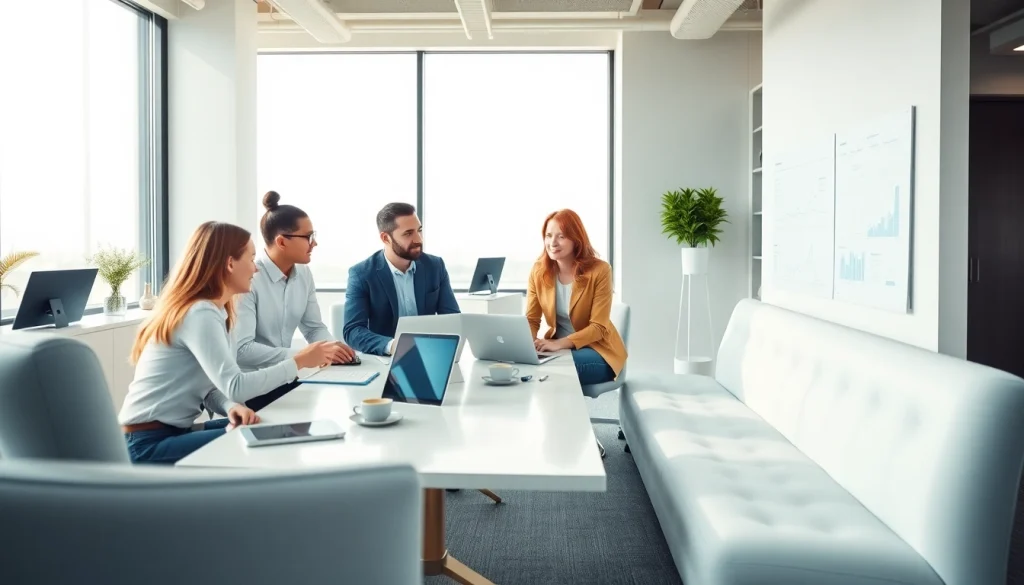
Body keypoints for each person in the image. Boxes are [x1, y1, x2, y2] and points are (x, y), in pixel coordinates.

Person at [118, 221, 338, 464]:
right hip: (146, 443)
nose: (256, 269)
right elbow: (235, 384)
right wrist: (299, 361)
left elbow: (210, 388)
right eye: (252, 259)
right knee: (259, 443)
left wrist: (231, 407)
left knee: (275, 426)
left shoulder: (216, 311)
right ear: (230, 263)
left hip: (170, 432)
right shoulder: (199, 313)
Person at [235, 191, 357, 411]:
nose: (315, 243)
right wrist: (303, 357)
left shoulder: (304, 274)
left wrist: (332, 347)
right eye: (308, 237)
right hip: (250, 387)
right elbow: (242, 349)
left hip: (286, 378)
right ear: (282, 241)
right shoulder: (248, 278)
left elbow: (313, 328)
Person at [526, 209, 627, 386]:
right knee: (527, 364)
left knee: (551, 370)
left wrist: (561, 344)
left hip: (598, 350)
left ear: (576, 239)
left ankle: (563, 413)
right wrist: (522, 347)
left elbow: (598, 327)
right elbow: (532, 320)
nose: (553, 243)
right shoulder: (539, 271)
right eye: (548, 236)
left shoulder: (600, 270)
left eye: (561, 236)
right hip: (560, 350)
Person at [343, 202, 460, 356]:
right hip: (386, 359)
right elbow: (353, 331)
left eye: (419, 231)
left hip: (431, 354)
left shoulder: (435, 266)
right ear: (386, 238)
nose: (418, 239)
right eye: (408, 233)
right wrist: (393, 346)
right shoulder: (362, 274)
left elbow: (453, 319)